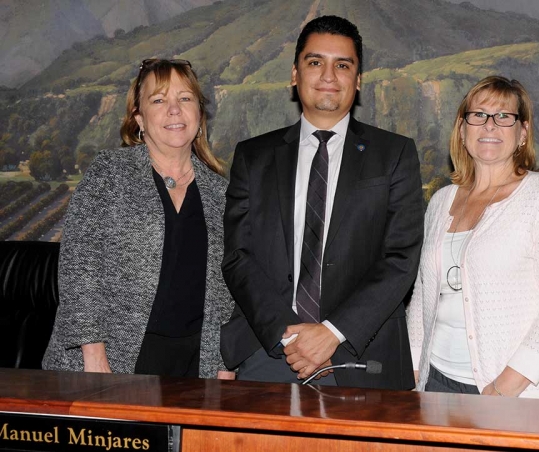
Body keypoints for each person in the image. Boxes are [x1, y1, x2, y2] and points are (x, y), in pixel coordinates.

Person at [221, 15, 423, 389]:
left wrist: (332, 331)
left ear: (358, 79)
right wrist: (290, 336)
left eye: (342, 65)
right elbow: (238, 256)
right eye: (315, 62)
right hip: (271, 353)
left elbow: (401, 258)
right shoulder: (253, 156)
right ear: (295, 75)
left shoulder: (394, 154)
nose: (329, 76)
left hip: (363, 356)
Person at [43, 59, 235, 379]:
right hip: (112, 360)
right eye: (158, 100)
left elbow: (226, 294)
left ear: (199, 114)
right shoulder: (109, 172)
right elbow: (79, 269)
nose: (174, 109)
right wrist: (94, 359)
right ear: (139, 118)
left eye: (185, 98)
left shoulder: (222, 193)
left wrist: (224, 367)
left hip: (192, 366)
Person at [407, 76, 539, 400]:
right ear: (462, 131)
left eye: (504, 116)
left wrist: (502, 389)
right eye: (478, 115)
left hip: (519, 395)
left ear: (523, 133)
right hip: (436, 385)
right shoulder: (440, 202)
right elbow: (424, 295)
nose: (490, 126)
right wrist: (414, 373)